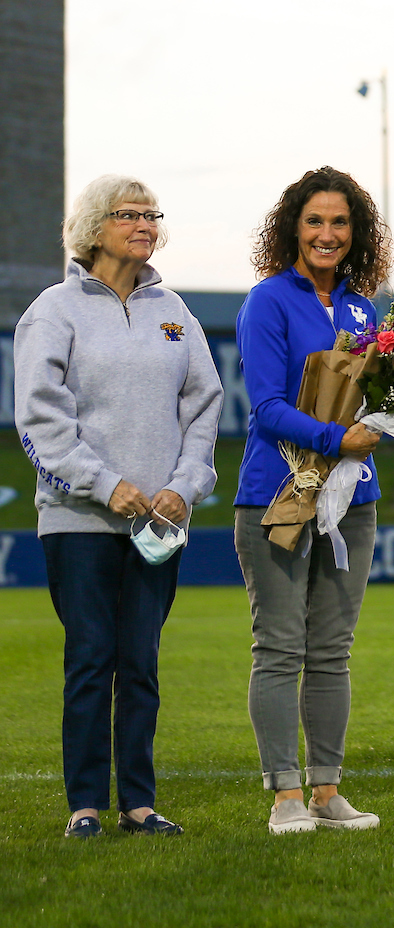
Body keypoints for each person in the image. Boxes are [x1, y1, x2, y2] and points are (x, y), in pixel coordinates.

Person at [14, 175, 223, 838]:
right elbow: (40, 418)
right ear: (93, 227)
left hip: (158, 521)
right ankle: (84, 807)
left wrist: (182, 486)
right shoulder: (53, 310)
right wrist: (106, 485)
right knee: (90, 658)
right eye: (129, 214)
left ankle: (138, 803)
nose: (145, 224)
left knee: (141, 663)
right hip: (78, 520)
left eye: (152, 214)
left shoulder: (175, 313)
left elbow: (204, 406)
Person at [235, 166, 392, 835]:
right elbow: (266, 407)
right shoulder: (267, 301)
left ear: (356, 234)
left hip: (353, 500)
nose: (327, 235)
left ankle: (326, 791)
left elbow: (379, 395)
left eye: (340, 223)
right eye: (315, 222)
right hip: (280, 494)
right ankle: (285, 796)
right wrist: (338, 437)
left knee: (332, 650)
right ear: (292, 229)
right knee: (279, 648)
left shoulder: (364, 307)